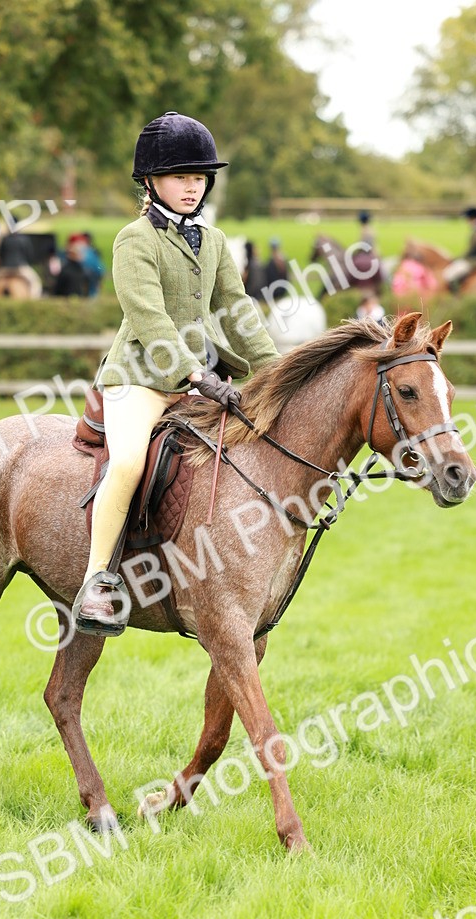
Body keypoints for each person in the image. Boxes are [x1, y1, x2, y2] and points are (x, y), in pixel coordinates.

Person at [72, 111, 280, 635]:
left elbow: (238, 311)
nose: (192, 187)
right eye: (180, 177)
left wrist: (279, 373)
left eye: (198, 178)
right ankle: (98, 580)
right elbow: (150, 320)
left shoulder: (213, 242)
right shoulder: (132, 240)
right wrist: (194, 375)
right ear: (150, 182)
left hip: (200, 375)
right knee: (127, 464)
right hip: (140, 377)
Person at [443, 206, 476, 293]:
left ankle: (456, 295)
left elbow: (471, 250)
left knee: (449, 274)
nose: (467, 221)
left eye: (468, 219)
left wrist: (457, 258)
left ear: (472, 218)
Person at [0, 227, 42, 298]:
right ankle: (34, 299)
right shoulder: (24, 239)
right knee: (35, 284)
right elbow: (29, 255)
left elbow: (0, 254)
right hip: (20, 267)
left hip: (5, 268)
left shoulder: (5, 239)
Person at [80, 232, 106, 296]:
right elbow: (100, 269)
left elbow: (99, 269)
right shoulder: (92, 252)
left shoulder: (93, 252)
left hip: (90, 281)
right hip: (89, 282)